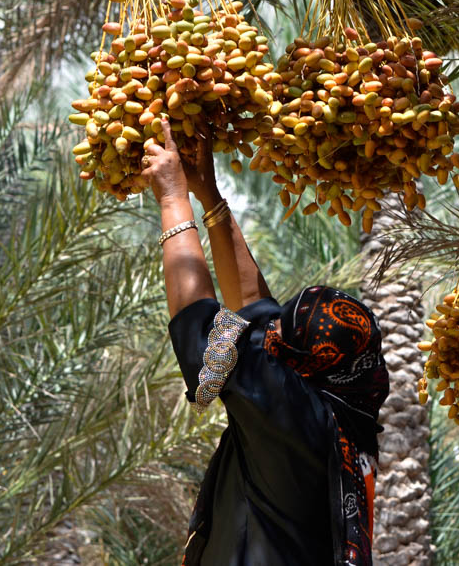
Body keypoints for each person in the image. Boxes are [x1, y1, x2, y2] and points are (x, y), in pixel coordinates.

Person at [140, 116, 389, 566]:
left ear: (303, 365)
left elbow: (201, 336)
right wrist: (208, 197)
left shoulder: (296, 419)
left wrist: (174, 202)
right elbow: (256, 308)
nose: (270, 332)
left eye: (281, 338)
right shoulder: (339, 405)